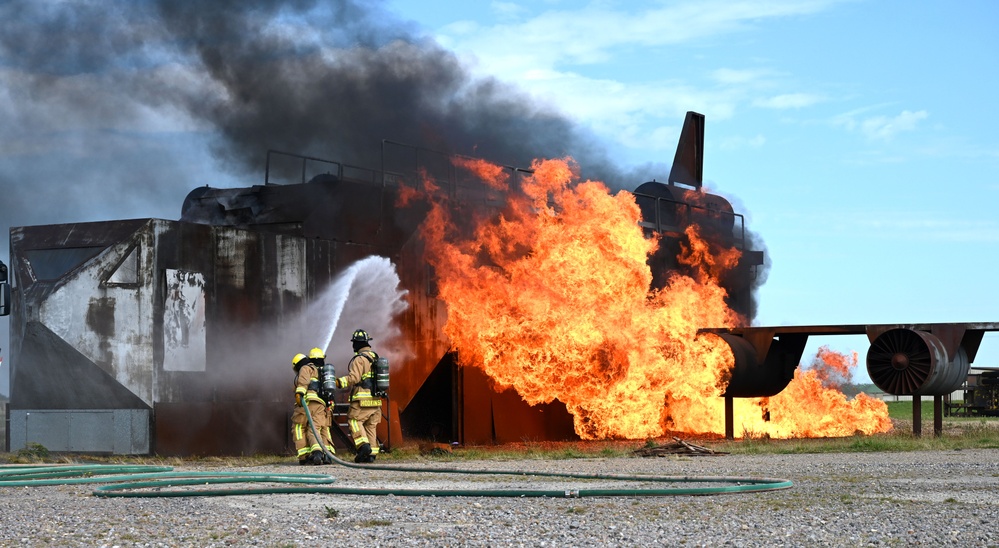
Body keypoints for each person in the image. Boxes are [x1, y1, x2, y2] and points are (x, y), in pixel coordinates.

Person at [336, 329, 383, 463]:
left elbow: (354, 378)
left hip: (362, 399)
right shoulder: (375, 357)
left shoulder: (359, 359)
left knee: (354, 421)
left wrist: (339, 382)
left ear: (356, 343)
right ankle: (371, 454)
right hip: (375, 400)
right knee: (370, 425)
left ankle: (363, 447)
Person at [291, 351, 334, 465]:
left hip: (308, 402)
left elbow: (303, 382)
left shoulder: (305, 368)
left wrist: (299, 393)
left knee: (301, 428)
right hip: (322, 404)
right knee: (322, 428)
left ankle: (310, 454)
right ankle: (328, 454)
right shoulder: (322, 372)